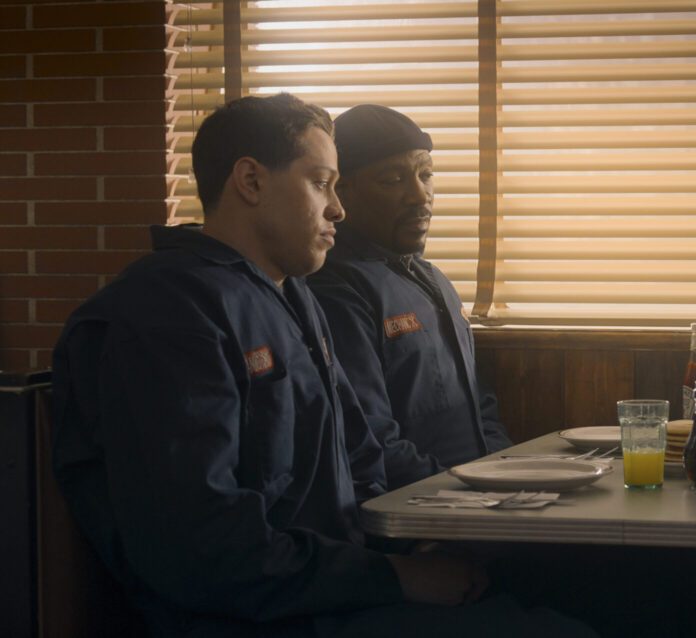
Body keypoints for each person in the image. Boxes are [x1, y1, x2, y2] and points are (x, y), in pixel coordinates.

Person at [51, 93, 593, 638]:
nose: (338, 208)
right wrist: (392, 575)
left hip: (345, 587)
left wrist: (411, 542)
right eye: (321, 183)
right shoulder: (167, 313)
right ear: (251, 181)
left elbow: (361, 458)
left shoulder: (290, 294)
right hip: (264, 616)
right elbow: (200, 546)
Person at [307, 104, 509, 488]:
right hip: (419, 510)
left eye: (426, 175)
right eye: (392, 180)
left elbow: (482, 409)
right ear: (341, 191)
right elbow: (372, 442)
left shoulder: (433, 279)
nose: (420, 196)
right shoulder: (334, 289)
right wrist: (466, 493)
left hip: (484, 496)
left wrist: (513, 476)